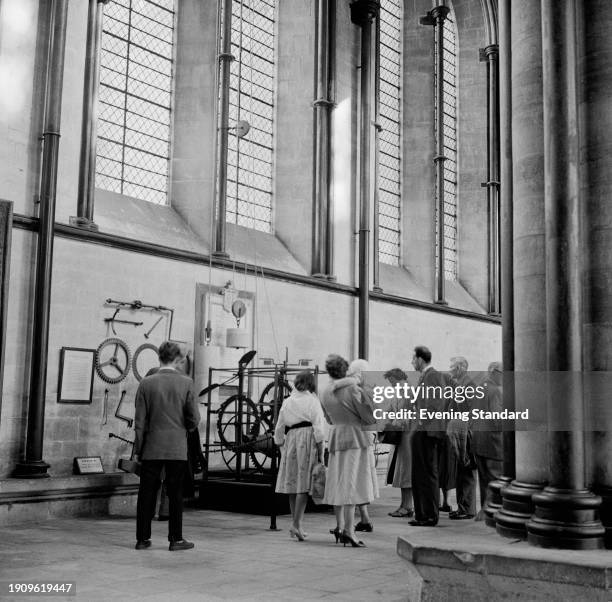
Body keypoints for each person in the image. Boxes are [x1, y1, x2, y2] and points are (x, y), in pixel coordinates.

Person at [133, 340, 200, 551]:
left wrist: (138, 449)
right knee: (175, 494)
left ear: (159, 357)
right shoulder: (186, 382)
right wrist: (184, 429)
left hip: (151, 447)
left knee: (146, 494)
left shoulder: (146, 383)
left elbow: (139, 422)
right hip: (176, 448)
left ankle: (143, 539)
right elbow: (194, 419)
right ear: (178, 359)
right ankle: (175, 539)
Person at [321, 354, 378, 547]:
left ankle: (339, 526)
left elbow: (328, 419)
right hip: (355, 438)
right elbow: (369, 417)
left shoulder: (325, 391)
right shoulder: (353, 388)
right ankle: (349, 531)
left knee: (338, 482)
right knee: (351, 485)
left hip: (337, 437)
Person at [274, 370, 326, 541]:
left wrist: (281, 443)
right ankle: (296, 525)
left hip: (291, 441)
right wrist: (321, 451)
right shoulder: (312, 401)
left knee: (292, 484)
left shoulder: (288, 402)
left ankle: (296, 524)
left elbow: (279, 426)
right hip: (307, 440)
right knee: (303, 486)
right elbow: (319, 427)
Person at [410, 346, 452, 527]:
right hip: (423, 430)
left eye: (413, 359)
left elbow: (435, 403)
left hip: (428, 431)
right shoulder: (426, 377)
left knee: (427, 474)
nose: (412, 362)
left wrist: (421, 422)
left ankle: (429, 515)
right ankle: (422, 514)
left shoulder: (433, 375)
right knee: (420, 474)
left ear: (420, 359)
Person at [347, 359, 380, 532]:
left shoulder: (360, 391)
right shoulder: (368, 390)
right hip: (363, 437)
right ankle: (364, 518)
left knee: (356, 477)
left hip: (357, 438)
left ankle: (351, 523)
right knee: (361, 476)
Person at [471, 361, 504, 520]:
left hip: (479, 442)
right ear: (495, 372)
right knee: (495, 480)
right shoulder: (494, 391)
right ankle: (491, 514)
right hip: (493, 443)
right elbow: (498, 419)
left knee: (484, 480)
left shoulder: (479, 388)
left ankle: (483, 513)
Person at [448, 356, 477, 520]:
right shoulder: (461, 384)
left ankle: (467, 509)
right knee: (461, 471)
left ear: (460, 368)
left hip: (465, 434)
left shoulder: (469, 385)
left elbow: (474, 412)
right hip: (460, 433)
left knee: (466, 470)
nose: (449, 369)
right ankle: (463, 507)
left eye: (451, 366)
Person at [384, 368, 415, 519]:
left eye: (391, 381)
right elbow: (390, 410)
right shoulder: (398, 391)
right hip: (400, 436)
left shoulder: (408, 391)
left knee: (406, 472)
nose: (390, 384)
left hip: (407, 436)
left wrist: (394, 421)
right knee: (401, 472)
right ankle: (404, 505)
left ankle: (408, 506)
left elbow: (410, 414)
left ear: (397, 378)